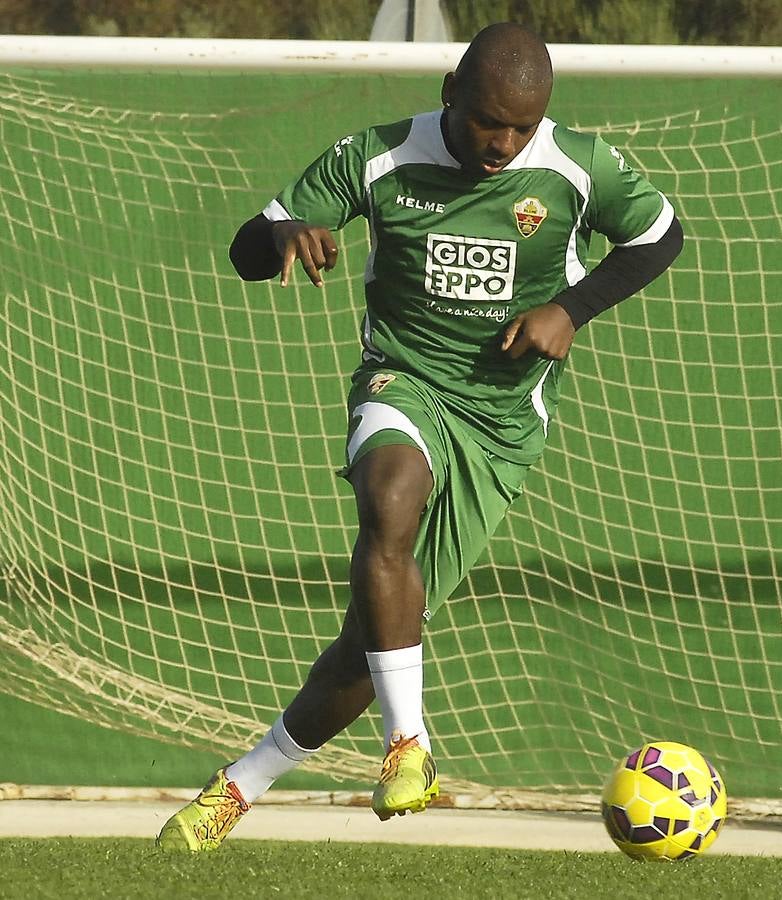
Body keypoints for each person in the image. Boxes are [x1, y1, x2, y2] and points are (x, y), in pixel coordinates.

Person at [157, 22, 684, 852]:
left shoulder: (580, 166)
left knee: (374, 638)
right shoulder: (377, 157)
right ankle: (411, 747)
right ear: (450, 93)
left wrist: (570, 308)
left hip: (503, 422)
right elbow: (244, 250)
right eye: (488, 123)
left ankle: (238, 786)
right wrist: (283, 235)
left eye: (522, 127)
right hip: (402, 376)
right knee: (390, 498)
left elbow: (660, 235)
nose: (504, 144)